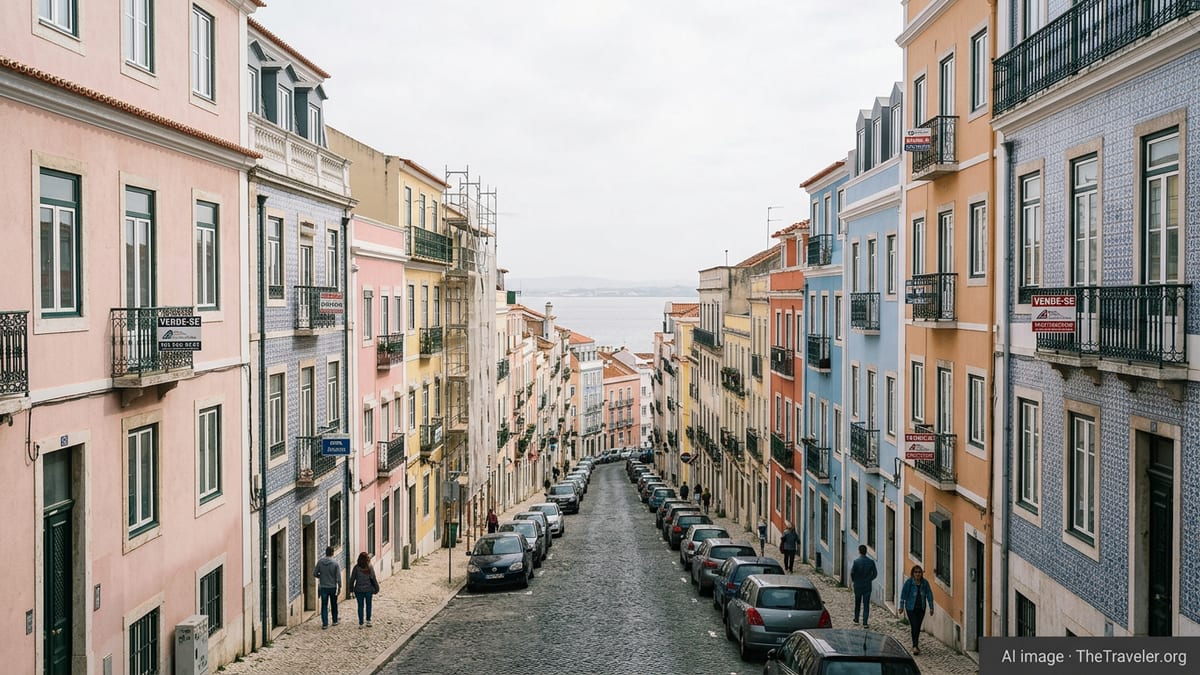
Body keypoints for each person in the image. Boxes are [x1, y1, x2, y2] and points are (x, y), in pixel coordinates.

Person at [899, 564, 934, 654]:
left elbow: (929, 594)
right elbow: (904, 594)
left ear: (921, 573)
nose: (917, 574)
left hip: (921, 608)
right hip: (910, 608)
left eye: (919, 572)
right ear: (913, 573)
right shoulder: (909, 582)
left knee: (917, 627)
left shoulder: (925, 583)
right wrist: (901, 606)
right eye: (916, 572)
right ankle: (915, 646)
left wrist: (931, 607)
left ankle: (916, 644)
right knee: (914, 625)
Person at [850, 545, 879, 628]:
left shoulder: (856, 562)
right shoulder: (871, 562)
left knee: (857, 603)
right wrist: (869, 579)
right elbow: (875, 574)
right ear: (866, 551)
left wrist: (854, 580)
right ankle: (865, 622)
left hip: (858, 585)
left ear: (859, 551)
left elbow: (852, 573)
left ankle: (856, 619)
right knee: (866, 604)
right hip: (867, 585)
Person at [314, 546, 341, 629]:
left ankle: (325, 623)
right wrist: (339, 587)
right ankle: (335, 621)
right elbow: (338, 578)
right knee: (334, 604)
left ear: (325, 552)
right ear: (332, 553)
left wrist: (321, 577)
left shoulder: (320, 562)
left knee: (324, 605)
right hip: (332, 587)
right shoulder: (335, 564)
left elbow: (315, 573)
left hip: (323, 587)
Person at [350, 552, 380, 628]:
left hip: (358, 590)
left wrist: (351, 589)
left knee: (360, 606)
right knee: (368, 605)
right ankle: (368, 621)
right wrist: (377, 588)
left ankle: (361, 623)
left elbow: (352, 579)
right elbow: (373, 578)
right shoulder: (369, 567)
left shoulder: (356, 568)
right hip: (368, 589)